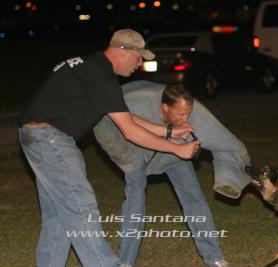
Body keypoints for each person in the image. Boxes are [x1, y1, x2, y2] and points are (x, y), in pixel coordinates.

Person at [18, 29, 199, 267]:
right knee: (82, 208)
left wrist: (168, 131)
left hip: (36, 135)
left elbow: (126, 118)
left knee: (59, 216)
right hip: (51, 139)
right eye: (139, 57)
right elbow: (130, 131)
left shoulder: (91, 67)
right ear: (124, 51)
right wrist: (176, 149)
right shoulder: (100, 73)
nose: (140, 64)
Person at [94, 81, 252, 267]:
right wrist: (170, 137)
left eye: (189, 114)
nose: (187, 119)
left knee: (194, 197)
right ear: (165, 108)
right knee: (135, 198)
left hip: (172, 150)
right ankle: (125, 261)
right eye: (181, 114)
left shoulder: (192, 113)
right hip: (130, 146)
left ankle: (214, 257)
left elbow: (227, 143)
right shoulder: (137, 102)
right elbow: (117, 120)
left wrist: (236, 171)